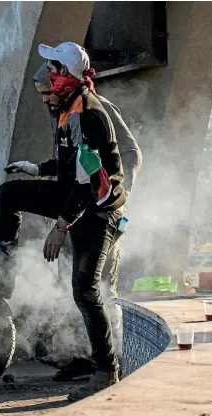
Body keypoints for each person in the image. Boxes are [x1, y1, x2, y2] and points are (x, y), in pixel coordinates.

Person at [0, 41, 126, 401]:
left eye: (53, 71)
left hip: (97, 210)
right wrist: (37, 169)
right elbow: (70, 167)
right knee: (9, 194)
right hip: (75, 196)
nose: (49, 78)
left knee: (85, 291)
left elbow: (90, 184)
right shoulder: (69, 109)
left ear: (67, 76)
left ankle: (106, 372)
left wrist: (60, 227)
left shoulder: (87, 113)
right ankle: (1, 276)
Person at [26, 61, 142, 381]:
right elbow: (71, 167)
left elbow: (130, 153)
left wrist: (114, 198)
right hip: (76, 214)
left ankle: (114, 361)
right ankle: (86, 357)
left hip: (103, 215)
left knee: (100, 287)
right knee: (75, 286)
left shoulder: (96, 109)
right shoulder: (63, 113)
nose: (46, 100)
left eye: (48, 92)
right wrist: (39, 171)